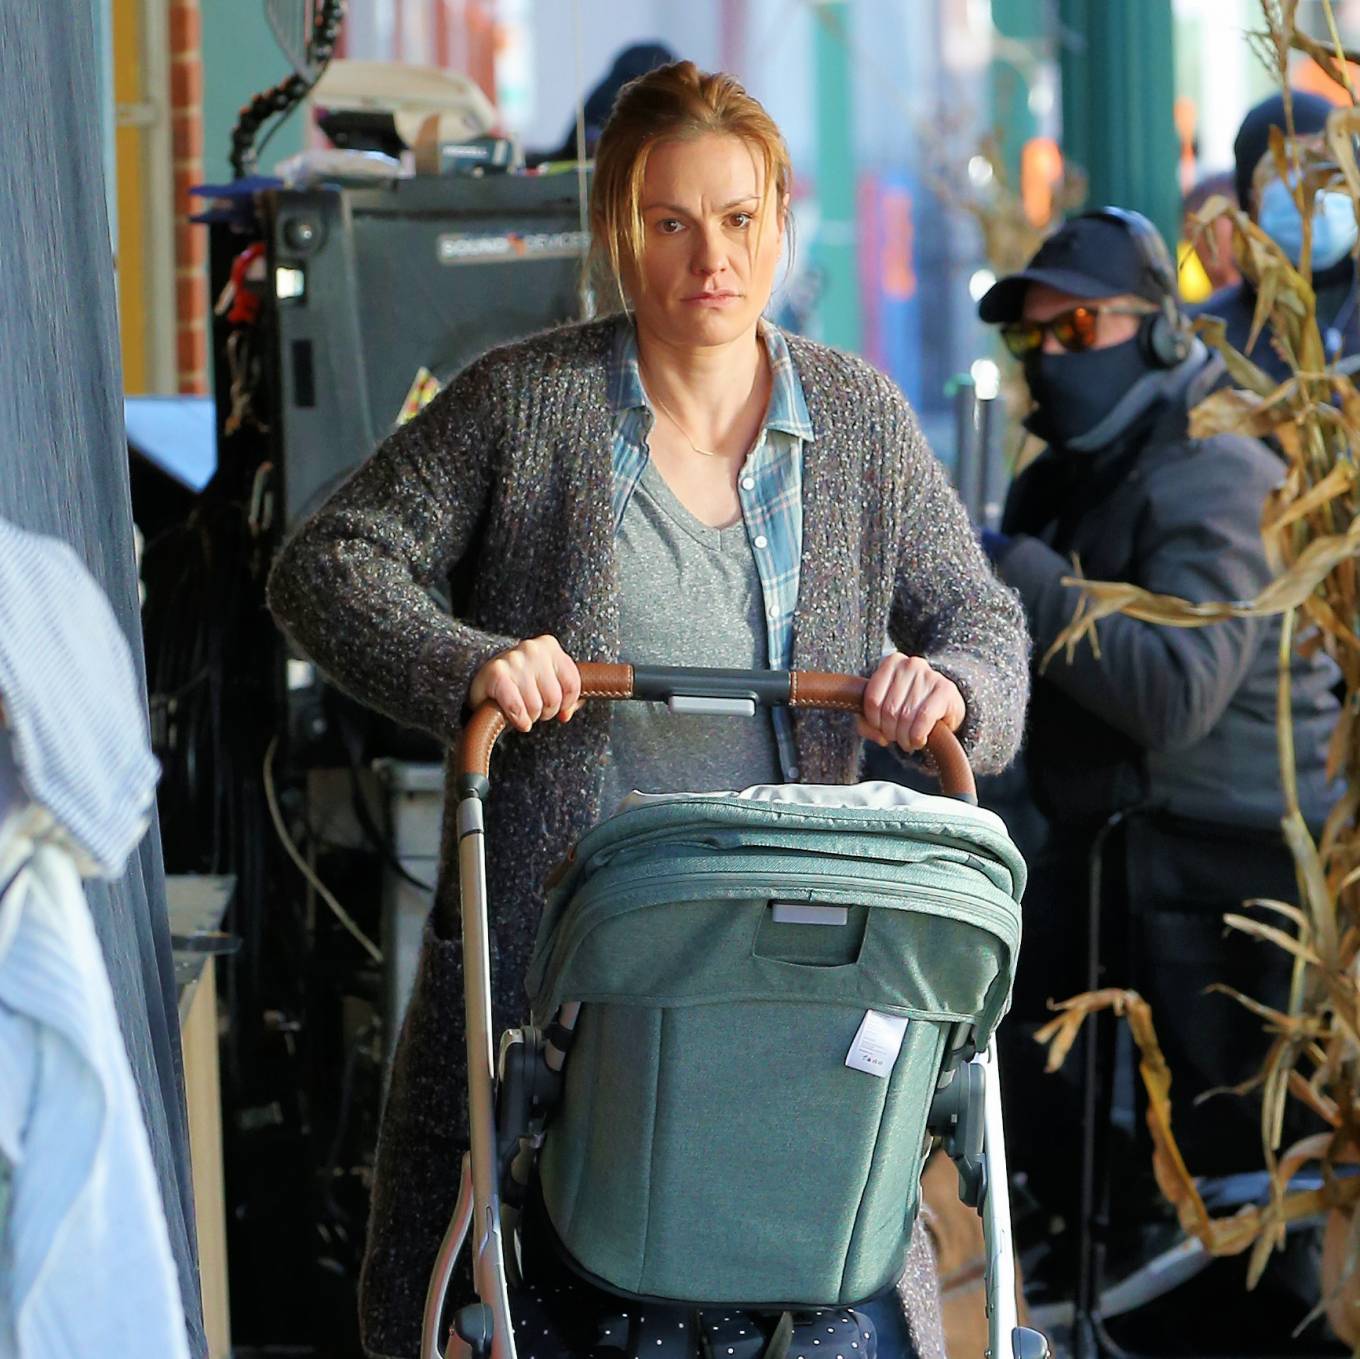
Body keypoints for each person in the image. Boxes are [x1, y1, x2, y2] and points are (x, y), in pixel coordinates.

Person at [268, 60, 1030, 1359]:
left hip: (793, 985)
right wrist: (473, 661)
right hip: (566, 993)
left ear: (779, 220)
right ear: (621, 226)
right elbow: (326, 564)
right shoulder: (531, 402)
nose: (708, 257)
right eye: (670, 221)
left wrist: (948, 684)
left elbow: (987, 624)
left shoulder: (855, 420)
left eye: (737, 219)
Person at [978, 209, 1339, 1236]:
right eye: (1030, 337)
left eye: (1075, 327)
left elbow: (1175, 692)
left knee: (1217, 1181)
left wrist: (1030, 577)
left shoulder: (1214, 468)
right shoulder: (1078, 466)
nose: (1049, 357)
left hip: (1219, 882)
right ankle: (1078, 1243)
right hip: (1119, 850)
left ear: (1160, 332)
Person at [1193, 91, 1360, 382]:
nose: (1307, 186)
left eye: (1325, 165)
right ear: (1249, 200)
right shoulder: (1207, 341)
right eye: (1284, 168)